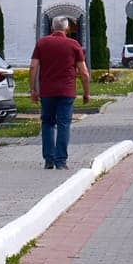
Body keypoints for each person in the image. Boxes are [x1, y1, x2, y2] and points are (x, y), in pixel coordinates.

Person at [29, 18, 90, 170]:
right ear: (67, 29)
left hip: (47, 91)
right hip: (67, 91)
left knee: (48, 123)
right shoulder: (74, 45)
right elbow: (84, 72)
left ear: (51, 28)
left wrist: (33, 90)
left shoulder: (42, 43)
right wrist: (86, 93)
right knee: (64, 124)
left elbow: (33, 67)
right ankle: (61, 161)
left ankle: (49, 160)